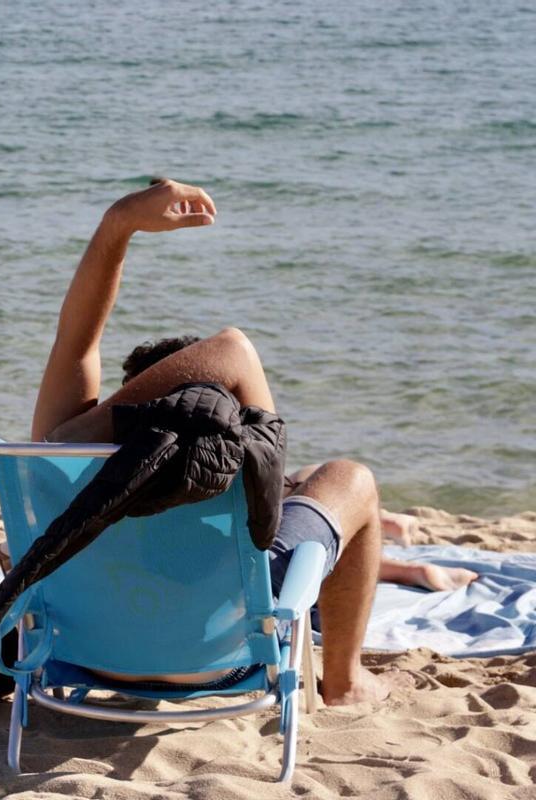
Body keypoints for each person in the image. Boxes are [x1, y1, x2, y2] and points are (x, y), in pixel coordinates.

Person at [32, 178, 404, 705]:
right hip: (221, 660)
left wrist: (119, 223)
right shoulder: (236, 450)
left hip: (90, 653)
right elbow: (232, 349)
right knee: (350, 478)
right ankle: (345, 684)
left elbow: (76, 340)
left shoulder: (67, 463)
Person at [124, 337, 478, 593]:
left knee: (307, 477)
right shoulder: (224, 469)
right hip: (231, 626)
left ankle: (386, 529)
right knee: (339, 480)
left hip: (106, 648)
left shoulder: (93, 474)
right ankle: (397, 567)